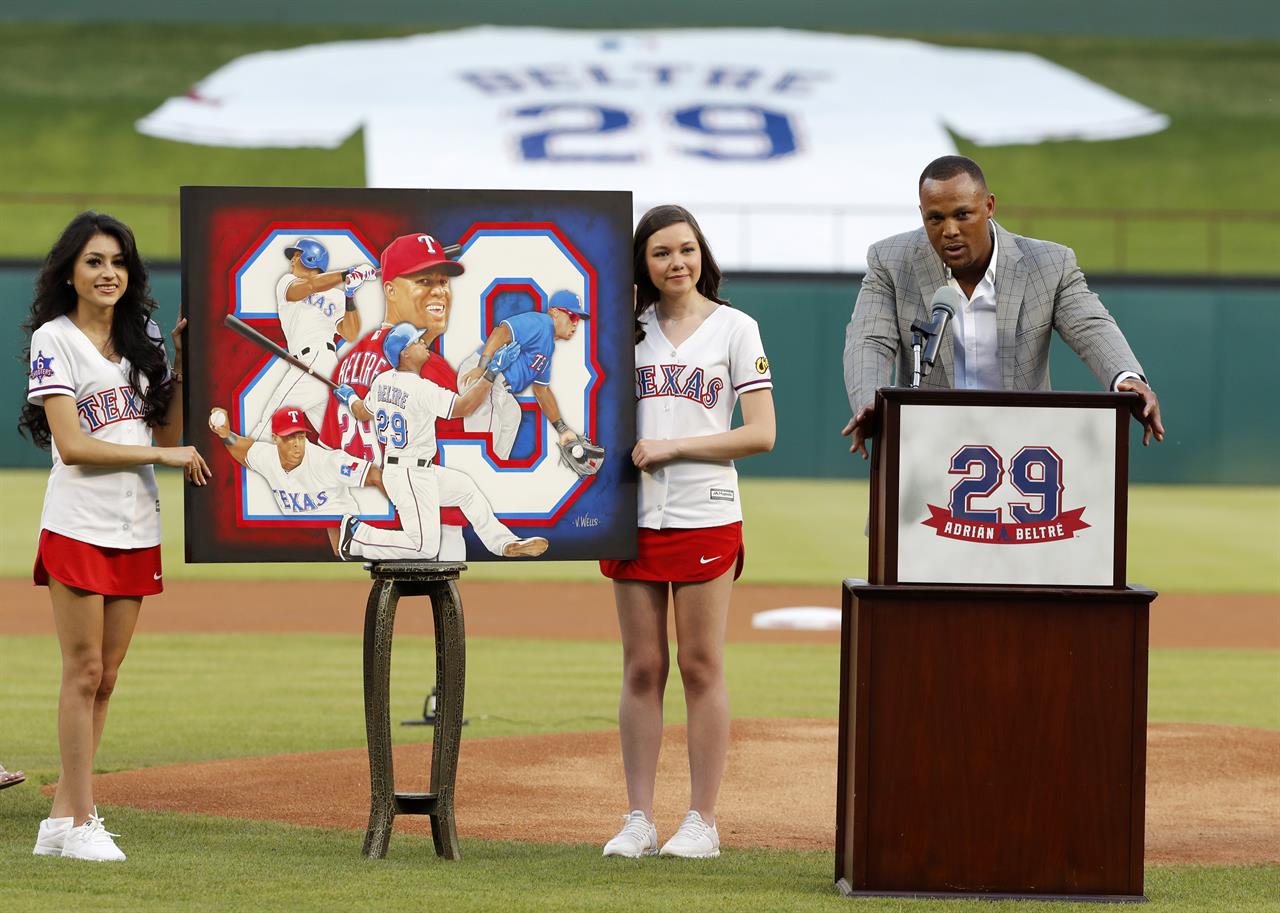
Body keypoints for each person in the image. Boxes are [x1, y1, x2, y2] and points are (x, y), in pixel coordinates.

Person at [19, 212, 211, 861]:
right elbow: (71, 446)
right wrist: (168, 457)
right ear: (70, 270)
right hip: (78, 521)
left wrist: (177, 363)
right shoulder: (55, 337)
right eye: (95, 261)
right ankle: (82, 819)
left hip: (136, 522)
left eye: (118, 262)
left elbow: (166, 430)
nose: (108, 273)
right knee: (85, 670)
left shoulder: (142, 338)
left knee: (108, 678)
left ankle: (61, 819)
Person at [598, 205, 775, 859]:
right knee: (642, 667)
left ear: (703, 254)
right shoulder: (626, 331)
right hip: (634, 514)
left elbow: (762, 431)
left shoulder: (734, 326)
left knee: (701, 667)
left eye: (687, 249)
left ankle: (702, 819)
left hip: (705, 508)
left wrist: (674, 448)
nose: (677, 263)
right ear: (643, 263)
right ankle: (638, 817)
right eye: (661, 253)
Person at [841, 155, 1164, 458]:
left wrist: (1127, 376)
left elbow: (1090, 325)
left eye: (962, 214)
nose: (949, 230)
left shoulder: (1050, 264)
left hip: (1020, 454)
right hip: (926, 451)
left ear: (989, 206)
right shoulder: (890, 260)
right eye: (935, 218)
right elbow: (869, 340)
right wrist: (870, 403)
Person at [333, 322, 549, 560]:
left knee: (466, 489)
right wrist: (491, 372)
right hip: (409, 474)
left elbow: (362, 412)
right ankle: (357, 536)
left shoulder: (382, 381)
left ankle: (504, 543)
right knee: (423, 548)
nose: (423, 342)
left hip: (413, 470)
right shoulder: (420, 388)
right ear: (404, 354)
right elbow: (465, 407)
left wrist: (350, 396)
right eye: (415, 341)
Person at [319, 232, 469, 558]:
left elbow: (328, 459)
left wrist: (347, 537)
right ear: (390, 290)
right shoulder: (426, 368)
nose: (439, 291)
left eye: (443, 281)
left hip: (370, 528)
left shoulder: (348, 362)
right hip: (428, 524)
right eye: (424, 280)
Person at [209, 404, 384, 557]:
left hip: (350, 533)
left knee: (345, 552)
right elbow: (242, 449)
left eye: (300, 436)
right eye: (289, 437)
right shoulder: (266, 457)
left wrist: (405, 505)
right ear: (275, 438)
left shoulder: (326, 462)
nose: (296, 443)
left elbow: (375, 475)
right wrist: (225, 435)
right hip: (313, 535)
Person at [249, 237, 365, 438]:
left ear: (311, 258)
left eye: (296, 256)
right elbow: (310, 286)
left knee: (267, 429)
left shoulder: (336, 296)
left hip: (318, 361)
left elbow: (350, 333)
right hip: (305, 362)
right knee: (335, 440)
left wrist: (349, 295)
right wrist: (345, 274)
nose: (292, 261)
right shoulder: (287, 282)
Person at [457, 289, 591, 460]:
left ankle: (492, 476)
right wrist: (481, 367)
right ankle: (478, 470)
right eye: (572, 316)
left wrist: (562, 429)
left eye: (578, 319)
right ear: (554, 312)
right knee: (484, 442)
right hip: (485, 374)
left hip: (498, 384)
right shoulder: (541, 323)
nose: (575, 323)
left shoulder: (547, 345)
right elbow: (502, 331)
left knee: (512, 414)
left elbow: (542, 391)